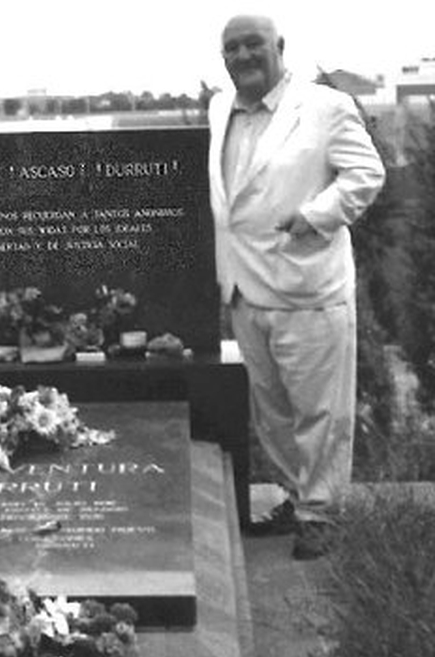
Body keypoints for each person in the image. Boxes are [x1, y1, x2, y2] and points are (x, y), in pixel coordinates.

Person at [208, 14, 385, 559]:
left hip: (307, 286)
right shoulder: (220, 108)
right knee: (274, 413)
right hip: (243, 289)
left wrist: (314, 215)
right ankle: (295, 496)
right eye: (232, 48)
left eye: (253, 45)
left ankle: (321, 513)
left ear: (279, 47)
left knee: (319, 412)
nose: (243, 56)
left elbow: (366, 175)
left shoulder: (326, 107)